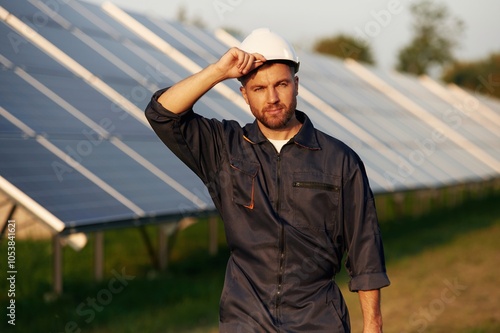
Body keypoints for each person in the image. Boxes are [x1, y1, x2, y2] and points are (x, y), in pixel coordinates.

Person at [145, 28, 390, 333]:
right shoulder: (224, 148)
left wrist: (373, 325)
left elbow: (364, 249)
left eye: (281, 84)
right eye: (259, 88)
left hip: (318, 322)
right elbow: (162, 114)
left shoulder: (340, 160)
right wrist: (218, 71)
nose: (272, 98)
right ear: (244, 94)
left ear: (296, 85)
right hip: (244, 321)